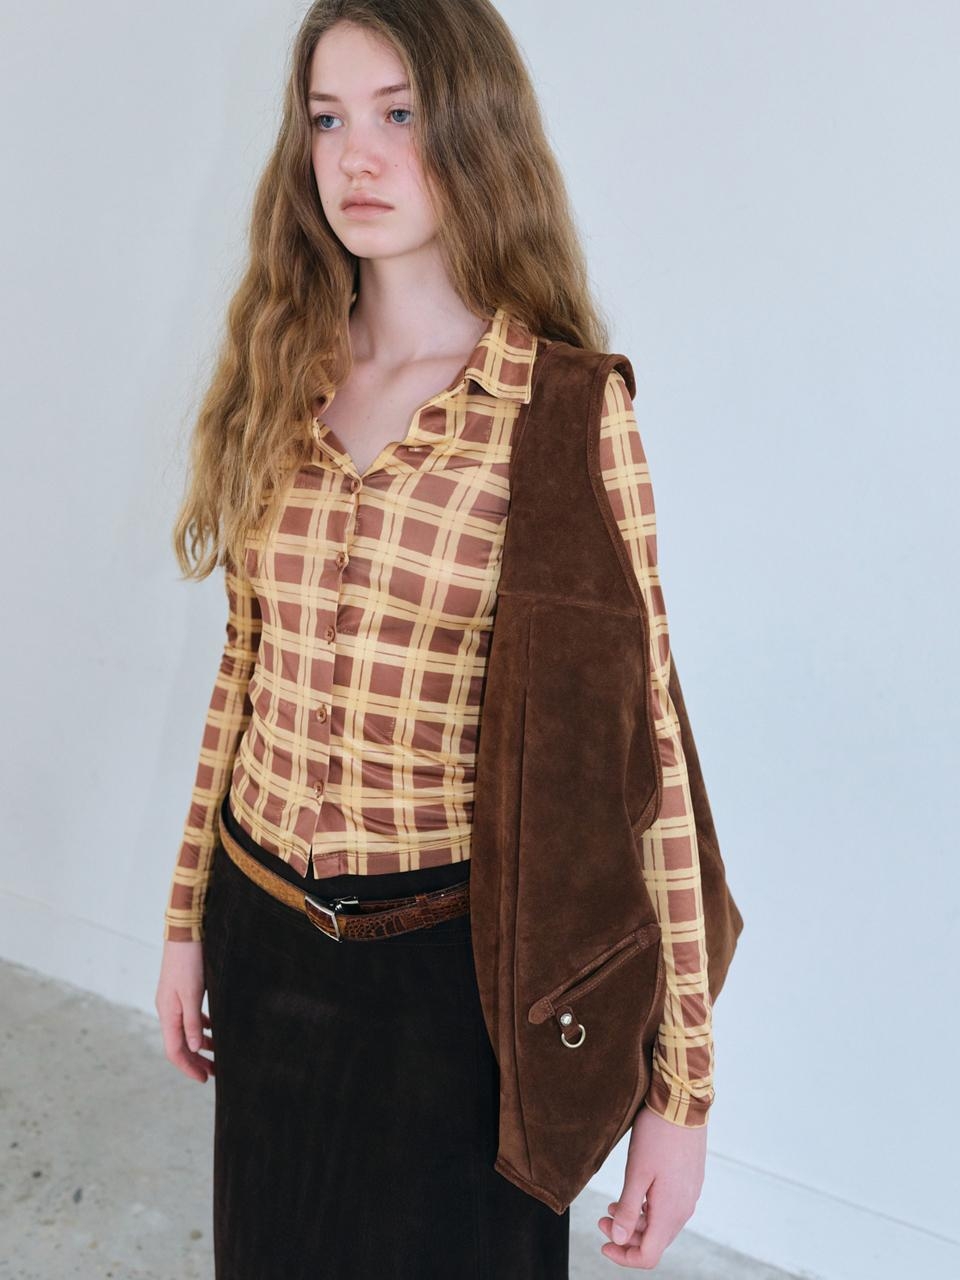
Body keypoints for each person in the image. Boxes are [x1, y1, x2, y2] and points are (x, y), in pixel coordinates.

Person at [154, 2, 716, 1274]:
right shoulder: (279, 370)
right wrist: (187, 917)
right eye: (327, 120)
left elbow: (648, 764)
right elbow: (245, 668)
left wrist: (681, 1091)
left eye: (398, 113)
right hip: (264, 936)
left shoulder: (564, 414)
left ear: (476, 125)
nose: (356, 156)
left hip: (460, 986)